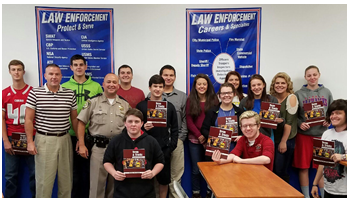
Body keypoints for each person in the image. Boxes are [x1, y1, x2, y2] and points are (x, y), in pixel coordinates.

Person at [25, 64, 78, 198]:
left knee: (66, 181)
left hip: (65, 139)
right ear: (45, 76)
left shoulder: (69, 93)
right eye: (51, 74)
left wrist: (80, 140)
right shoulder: (35, 93)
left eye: (57, 74)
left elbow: (75, 119)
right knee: (44, 182)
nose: (54, 77)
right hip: (44, 140)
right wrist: (30, 142)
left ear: (61, 76)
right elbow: (29, 120)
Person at [76, 73, 130, 198]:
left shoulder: (125, 104)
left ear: (118, 85)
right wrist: (82, 144)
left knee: (115, 183)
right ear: (103, 84)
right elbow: (81, 122)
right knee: (96, 184)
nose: (111, 85)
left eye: (114, 82)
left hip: (118, 148)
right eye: (108, 82)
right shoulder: (93, 102)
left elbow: (131, 125)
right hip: (99, 148)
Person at [61, 54, 103, 198]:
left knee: (88, 172)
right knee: (73, 172)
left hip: (90, 135)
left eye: (81, 65)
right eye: (75, 65)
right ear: (71, 67)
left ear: (86, 67)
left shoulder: (96, 86)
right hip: (70, 135)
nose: (79, 67)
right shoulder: (64, 86)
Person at [103, 108, 165, 198]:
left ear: (142, 123)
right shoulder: (116, 141)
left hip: (146, 191)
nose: (133, 125)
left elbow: (160, 162)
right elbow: (107, 161)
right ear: (125, 123)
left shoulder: (151, 141)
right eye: (130, 121)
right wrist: (114, 173)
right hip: (122, 191)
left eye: (136, 122)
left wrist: (153, 173)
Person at [293, 65, 333, 198]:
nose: (312, 78)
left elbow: (332, 112)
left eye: (314, 74)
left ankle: (321, 196)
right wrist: (300, 124)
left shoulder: (326, 92)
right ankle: (306, 196)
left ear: (319, 75)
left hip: (322, 136)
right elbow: (294, 116)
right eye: (309, 75)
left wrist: (329, 120)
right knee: (303, 167)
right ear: (305, 77)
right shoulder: (298, 94)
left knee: (320, 168)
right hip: (304, 136)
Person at [136, 75, 178, 198]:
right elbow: (133, 127)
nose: (157, 89)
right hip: (145, 149)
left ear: (164, 88)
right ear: (150, 87)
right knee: (145, 178)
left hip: (164, 149)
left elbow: (175, 128)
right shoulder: (141, 106)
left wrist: (171, 146)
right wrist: (144, 128)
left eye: (160, 86)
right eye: (155, 86)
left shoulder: (169, 107)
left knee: (164, 180)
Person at [2, 60, 35, 198]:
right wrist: (5, 140)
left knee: (35, 173)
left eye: (19, 69)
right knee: (10, 174)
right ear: (9, 72)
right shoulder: (4, 93)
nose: (16, 72)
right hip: (12, 136)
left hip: (31, 137)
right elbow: (1, 119)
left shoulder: (33, 92)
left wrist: (31, 140)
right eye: (14, 69)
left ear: (23, 72)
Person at [186, 73, 218, 198]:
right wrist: (199, 136)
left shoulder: (214, 99)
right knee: (196, 170)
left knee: (211, 168)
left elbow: (216, 120)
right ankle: (196, 194)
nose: (202, 86)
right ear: (195, 86)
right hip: (194, 140)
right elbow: (189, 121)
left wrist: (207, 136)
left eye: (204, 84)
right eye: (199, 84)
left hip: (211, 139)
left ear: (208, 85)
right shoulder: (190, 100)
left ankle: (210, 192)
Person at [158, 65, 187, 198]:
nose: (168, 78)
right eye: (165, 75)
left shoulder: (182, 96)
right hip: (157, 142)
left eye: (171, 75)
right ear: (161, 76)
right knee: (157, 173)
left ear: (175, 77)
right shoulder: (153, 94)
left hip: (176, 141)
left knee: (176, 174)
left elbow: (186, 118)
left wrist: (180, 138)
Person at [311, 99, 347, 198]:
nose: (334, 116)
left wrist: (343, 157)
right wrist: (315, 184)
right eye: (332, 113)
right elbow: (322, 162)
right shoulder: (326, 133)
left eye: (338, 113)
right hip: (328, 189)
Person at [269, 72, 298, 183]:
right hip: (273, 138)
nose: (279, 85)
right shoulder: (271, 98)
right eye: (277, 83)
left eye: (283, 83)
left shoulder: (291, 98)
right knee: (273, 170)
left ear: (287, 85)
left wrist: (283, 141)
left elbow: (289, 122)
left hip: (286, 139)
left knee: (280, 170)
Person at [201, 82, 244, 152]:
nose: (226, 95)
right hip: (216, 151)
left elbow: (245, 129)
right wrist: (214, 136)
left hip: (236, 151)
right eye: (223, 93)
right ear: (219, 95)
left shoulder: (240, 112)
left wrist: (242, 136)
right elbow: (204, 129)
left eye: (229, 93)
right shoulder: (212, 111)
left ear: (234, 94)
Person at [239, 74, 280, 141]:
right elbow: (240, 121)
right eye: (253, 85)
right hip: (249, 138)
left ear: (263, 85)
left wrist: (279, 120)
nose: (256, 87)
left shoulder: (272, 100)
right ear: (250, 87)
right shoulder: (244, 102)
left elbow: (279, 120)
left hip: (268, 137)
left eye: (259, 84)